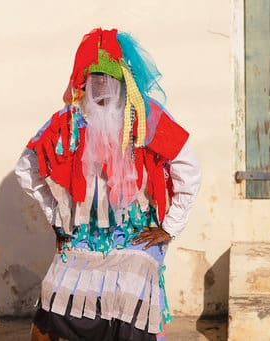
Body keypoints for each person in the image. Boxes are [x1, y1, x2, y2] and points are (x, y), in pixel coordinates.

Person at [15, 28, 201, 341]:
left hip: (135, 234)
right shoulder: (68, 121)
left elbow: (189, 167)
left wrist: (170, 226)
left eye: (108, 76)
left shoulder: (146, 117)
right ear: (84, 81)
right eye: (94, 76)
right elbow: (26, 167)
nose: (101, 83)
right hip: (83, 236)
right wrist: (59, 222)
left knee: (131, 289)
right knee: (53, 294)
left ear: (122, 80)